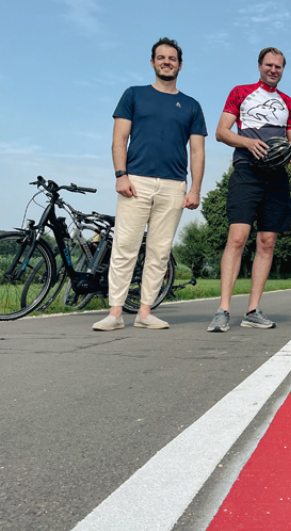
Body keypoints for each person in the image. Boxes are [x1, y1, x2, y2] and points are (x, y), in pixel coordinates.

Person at [93, 37, 206, 331]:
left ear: (180, 65)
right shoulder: (133, 95)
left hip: (174, 185)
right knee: (125, 247)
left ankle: (145, 312)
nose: (166, 61)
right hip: (136, 181)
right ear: (153, 62)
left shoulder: (192, 105)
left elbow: (197, 151)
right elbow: (119, 139)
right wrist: (120, 174)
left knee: (159, 250)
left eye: (172, 58)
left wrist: (195, 188)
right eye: (161, 57)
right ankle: (115, 313)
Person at [207, 47, 291, 333]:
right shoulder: (240, 92)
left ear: (283, 70)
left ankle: (252, 310)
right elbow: (222, 131)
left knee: (267, 241)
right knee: (237, 238)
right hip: (247, 170)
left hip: (276, 176)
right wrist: (247, 143)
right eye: (269, 65)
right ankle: (223, 309)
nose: (273, 70)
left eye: (279, 66)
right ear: (259, 66)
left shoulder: (287, 101)